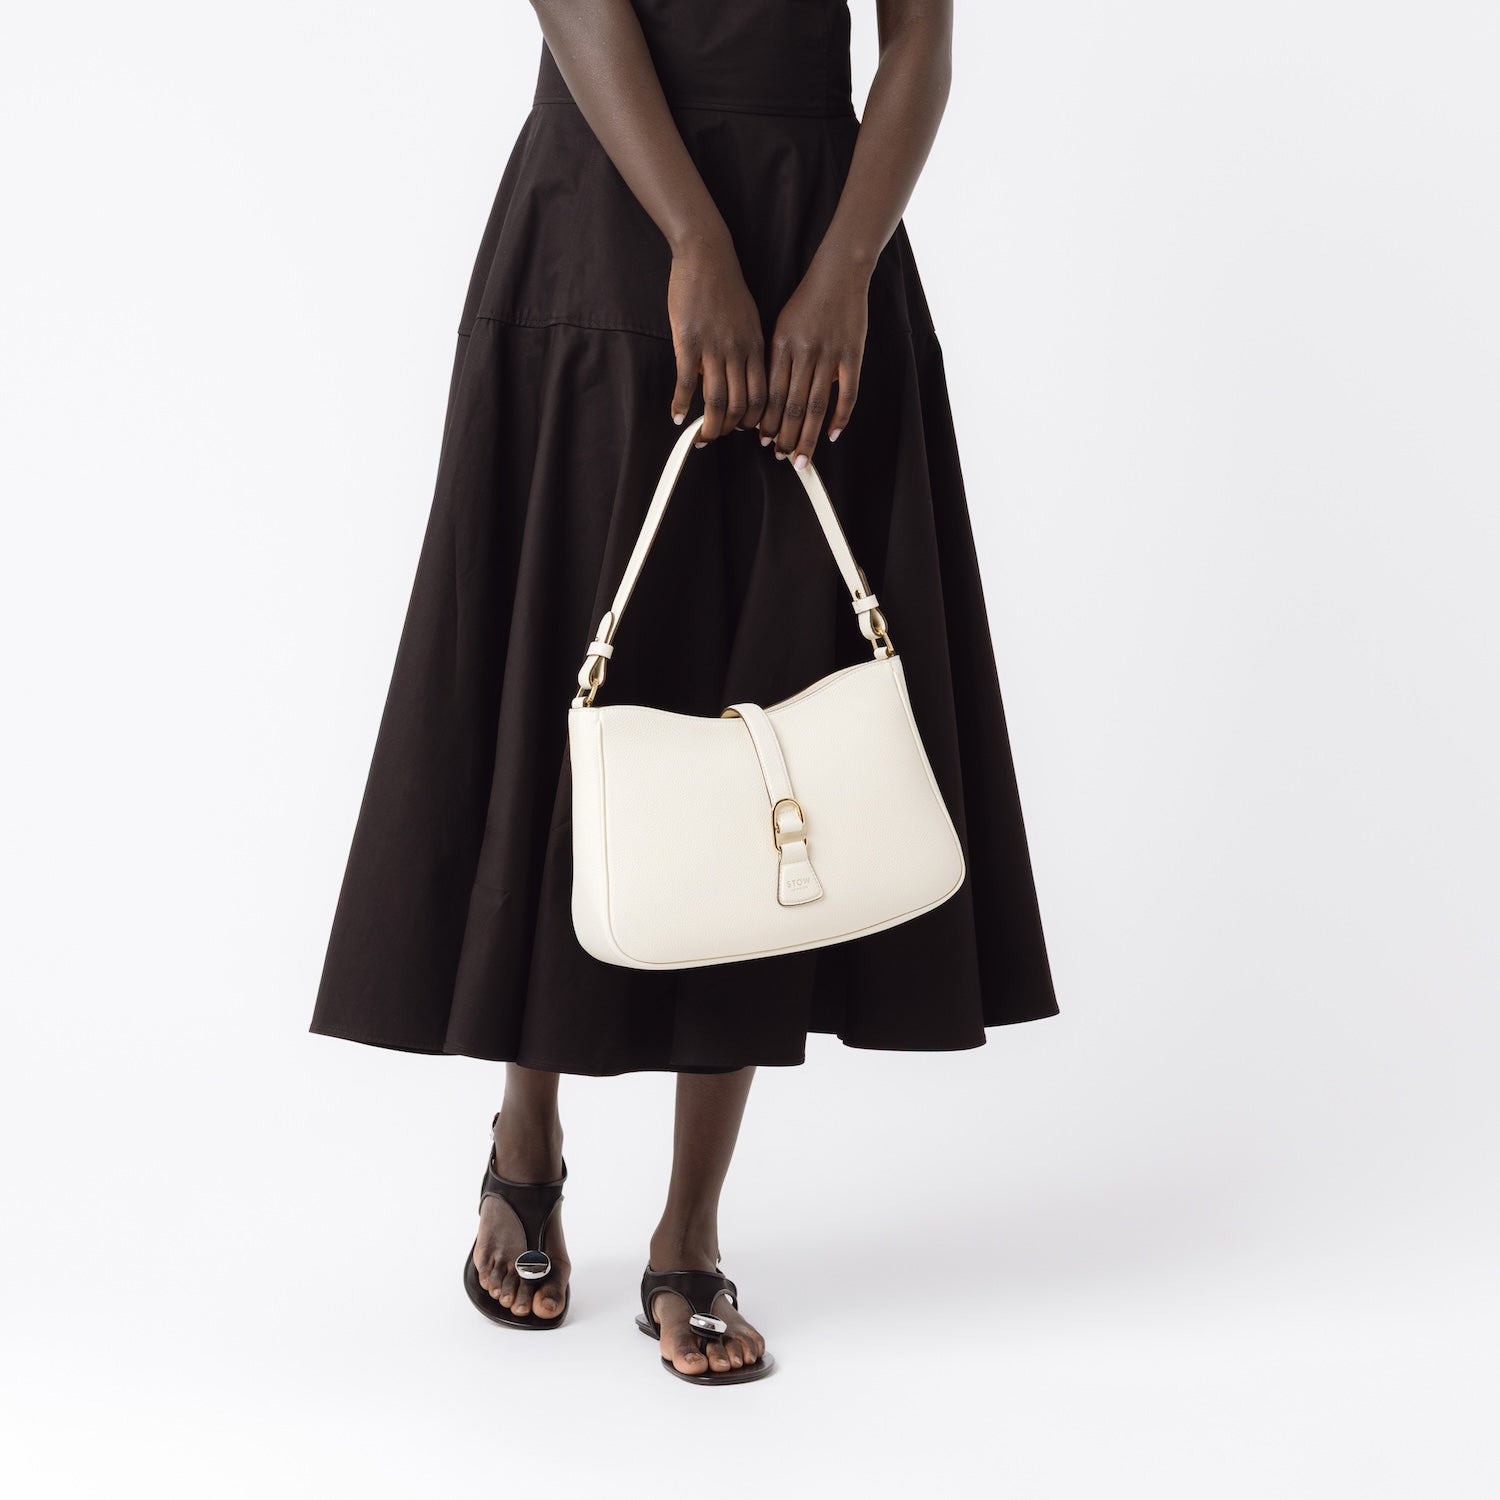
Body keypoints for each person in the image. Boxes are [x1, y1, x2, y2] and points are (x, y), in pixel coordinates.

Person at [309, 0, 1058, 1385]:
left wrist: (846, 267)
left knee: (764, 732)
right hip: (606, 211)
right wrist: (694, 240)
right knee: (575, 687)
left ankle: (690, 1230)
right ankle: (525, 1137)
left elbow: (920, 41)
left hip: (814, 243)